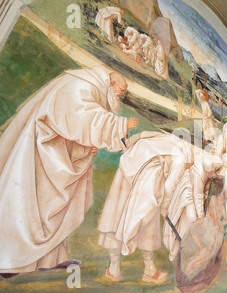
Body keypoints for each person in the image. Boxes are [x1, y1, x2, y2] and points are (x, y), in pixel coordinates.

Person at [0, 65, 139, 277]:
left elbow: (72, 127)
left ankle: (50, 258)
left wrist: (84, 147)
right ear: (111, 83)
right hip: (44, 155)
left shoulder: (91, 87)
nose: (122, 95)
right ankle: (12, 262)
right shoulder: (81, 84)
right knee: (34, 208)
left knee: (56, 211)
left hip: (57, 152)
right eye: (121, 90)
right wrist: (120, 125)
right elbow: (80, 117)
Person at [97, 131, 193, 284]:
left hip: (129, 167)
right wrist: (164, 207)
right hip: (147, 178)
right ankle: (139, 269)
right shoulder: (183, 159)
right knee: (145, 221)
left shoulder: (172, 139)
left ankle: (122, 268)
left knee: (117, 215)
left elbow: (143, 134)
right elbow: (169, 186)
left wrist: (128, 143)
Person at [162, 153, 223, 262]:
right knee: (191, 218)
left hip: (197, 190)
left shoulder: (214, 164)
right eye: (210, 173)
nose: (212, 174)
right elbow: (198, 195)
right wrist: (201, 218)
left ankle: (196, 250)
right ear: (206, 171)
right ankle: (176, 249)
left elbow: (205, 191)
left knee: (195, 221)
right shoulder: (199, 174)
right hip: (187, 187)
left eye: (212, 172)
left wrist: (204, 214)